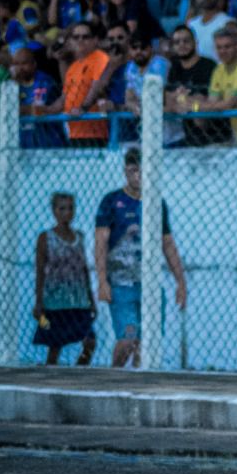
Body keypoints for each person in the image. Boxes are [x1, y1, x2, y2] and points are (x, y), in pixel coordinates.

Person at [95, 147, 188, 368]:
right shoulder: (111, 201)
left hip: (150, 285)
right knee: (128, 339)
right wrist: (102, 281)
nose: (137, 176)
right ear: (126, 172)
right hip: (121, 283)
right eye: (132, 170)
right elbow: (101, 243)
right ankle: (113, 376)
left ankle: (136, 387)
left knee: (147, 344)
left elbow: (167, 243)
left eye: (142, 170)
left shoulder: (157, 203)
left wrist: (180, 282)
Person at [32, 191, 97, 366]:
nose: (66, 213)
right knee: (55, 346)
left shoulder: (79, 237)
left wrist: (91, 300)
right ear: (54, 211)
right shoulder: (46, 238)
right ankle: (49, 376)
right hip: (55, 302)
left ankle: (78, 372)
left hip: (78, 301)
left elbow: (84, 271)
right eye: (61, 209)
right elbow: (40, 271)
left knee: (90, 341)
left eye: (70, 208)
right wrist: (39, 302)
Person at [60, 22, 114, 147]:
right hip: (74, 132)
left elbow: (96, 88)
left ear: (95, 40)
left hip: (94, 133)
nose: (80, 40)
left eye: (85, 37)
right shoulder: (73, 67)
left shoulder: (100, 58)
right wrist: (44, 110)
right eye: (76, 37)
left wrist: (82, 108)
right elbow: (64, 98)